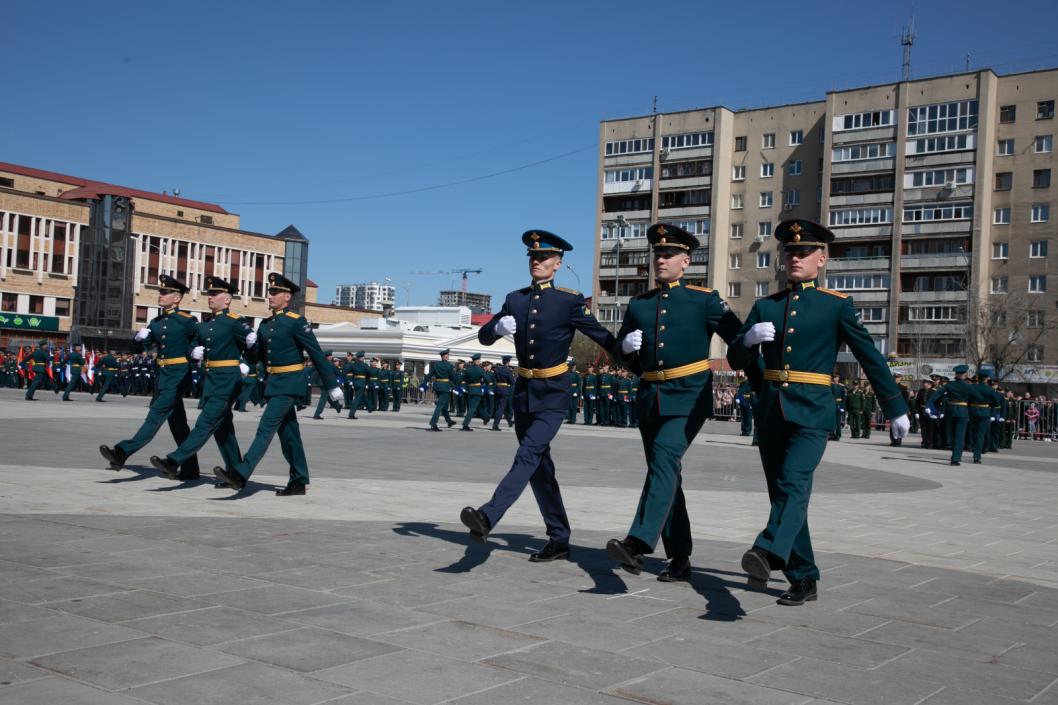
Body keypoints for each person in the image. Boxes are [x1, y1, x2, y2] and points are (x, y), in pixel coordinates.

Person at [727, 219, 910, 606]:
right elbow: (735, 358)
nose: (795, 258)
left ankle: (766, 552)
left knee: (794, 484)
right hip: (772, 410)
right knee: (785, 496)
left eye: (804, 252)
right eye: (789, 252)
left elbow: (869, 357)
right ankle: (804, 577)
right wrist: (746, 340)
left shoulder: (837, 306)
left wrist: (895, 406)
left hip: (812, 409)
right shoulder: (766, 305)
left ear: (822, 258)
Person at [460, 229, 617, 562]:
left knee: (528, 455)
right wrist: (496, 328)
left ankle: (489, 515)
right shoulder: (515, 299)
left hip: (554, 394)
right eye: (533, 257)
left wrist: (635, 357)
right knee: (540, 469)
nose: (537, 262)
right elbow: (485, 337)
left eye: (544, 257)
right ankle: (559, 538)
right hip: (524, 393)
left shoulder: (569, 301)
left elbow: (601, 336)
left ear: (557, 263)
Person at [605, 223, 743, 581]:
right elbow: (624, 359)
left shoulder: (705, 299)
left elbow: (738, 340)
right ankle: (680, 557)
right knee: (666, 475)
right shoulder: (640, 304)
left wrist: (755, 345)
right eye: (657, 255)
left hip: (690, 394)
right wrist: (624, 349)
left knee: (665, 460)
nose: (660, 260)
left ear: (686, 261)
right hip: (651, 396)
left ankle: (637, 542)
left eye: (668, 255)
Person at [213, 273, 342, 495]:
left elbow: (316, 354)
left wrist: (331, 384)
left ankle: (241, 473)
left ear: (287, 296)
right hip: (273, 383)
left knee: (265, 427)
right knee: (289, 434)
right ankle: (299, 480)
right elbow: (258, 358)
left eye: (275, 292)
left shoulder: (296, 322)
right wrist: (249, 351)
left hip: (290, 383)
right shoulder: (265, 324)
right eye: (269, 292)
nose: (270, 296)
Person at [150, 276, 254, 482]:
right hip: (211, 380)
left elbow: (254, 346)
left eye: (215, 295)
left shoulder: (235, 322)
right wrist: (192, 353)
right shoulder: (205, 325)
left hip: (228, 380)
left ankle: (174, 460)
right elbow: (192, 347)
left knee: (205, 422)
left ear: (227, 300)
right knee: (222, 429)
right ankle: (235, 473)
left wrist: (247, 363)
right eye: (209, 294)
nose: (210, 298)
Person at [99, 275, 200, 478]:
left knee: (155, 416)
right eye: (160, 292)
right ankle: (190, 469)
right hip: (162, 375)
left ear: (177, 298)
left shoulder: (188, 321)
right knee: (178, 424)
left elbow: (199, 342)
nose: (160, 296)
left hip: (178, 376)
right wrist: (137, 339)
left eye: (165, 293)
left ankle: (122, 452)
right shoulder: (157, 321)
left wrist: (193, 353)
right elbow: (140, 347)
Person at [928, 365, 973, 465]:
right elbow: (977, 397)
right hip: (962, 411)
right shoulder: (968, 386)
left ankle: (953, 451)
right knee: (960, 436)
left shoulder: (949, 385)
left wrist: (928, 405)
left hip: (950, 412)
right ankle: (955, 458)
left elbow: (937, 394)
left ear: (956, 374)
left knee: (951, 434)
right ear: (965, 374)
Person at [422, 349, 457, 431]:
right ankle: (433, 423)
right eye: (447, 355)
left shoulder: (436, 365)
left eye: (448, 355)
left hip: (437, 386)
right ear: (444, 356)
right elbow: (453, 377)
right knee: (440, 406)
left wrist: (424, 383)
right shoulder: (449, 366)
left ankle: (449, 421)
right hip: (445, 387)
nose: (448, 356)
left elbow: (429, 375)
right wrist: (456, 384)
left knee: (444, 405)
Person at [460, 353, 485, 430]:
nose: (480, 361)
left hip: (470, 390)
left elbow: (463, 378)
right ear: (477, 361)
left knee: (471, 407)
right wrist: (482, 381)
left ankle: (485, 417)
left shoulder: (468, 369)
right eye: (479, 360)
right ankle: (465, 424)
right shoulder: (480, 369)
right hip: (477, 390)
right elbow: (487, 379)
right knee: (472, 409)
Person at [493, 355, 515, 430]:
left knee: (502, 406)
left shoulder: (497, 369)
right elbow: (512, 382)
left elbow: (493, 379)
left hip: (497, 389)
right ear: (508, 362)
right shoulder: (508, 370)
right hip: (504, 390)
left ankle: (509, 421)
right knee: (501, 408)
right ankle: (495, 425)